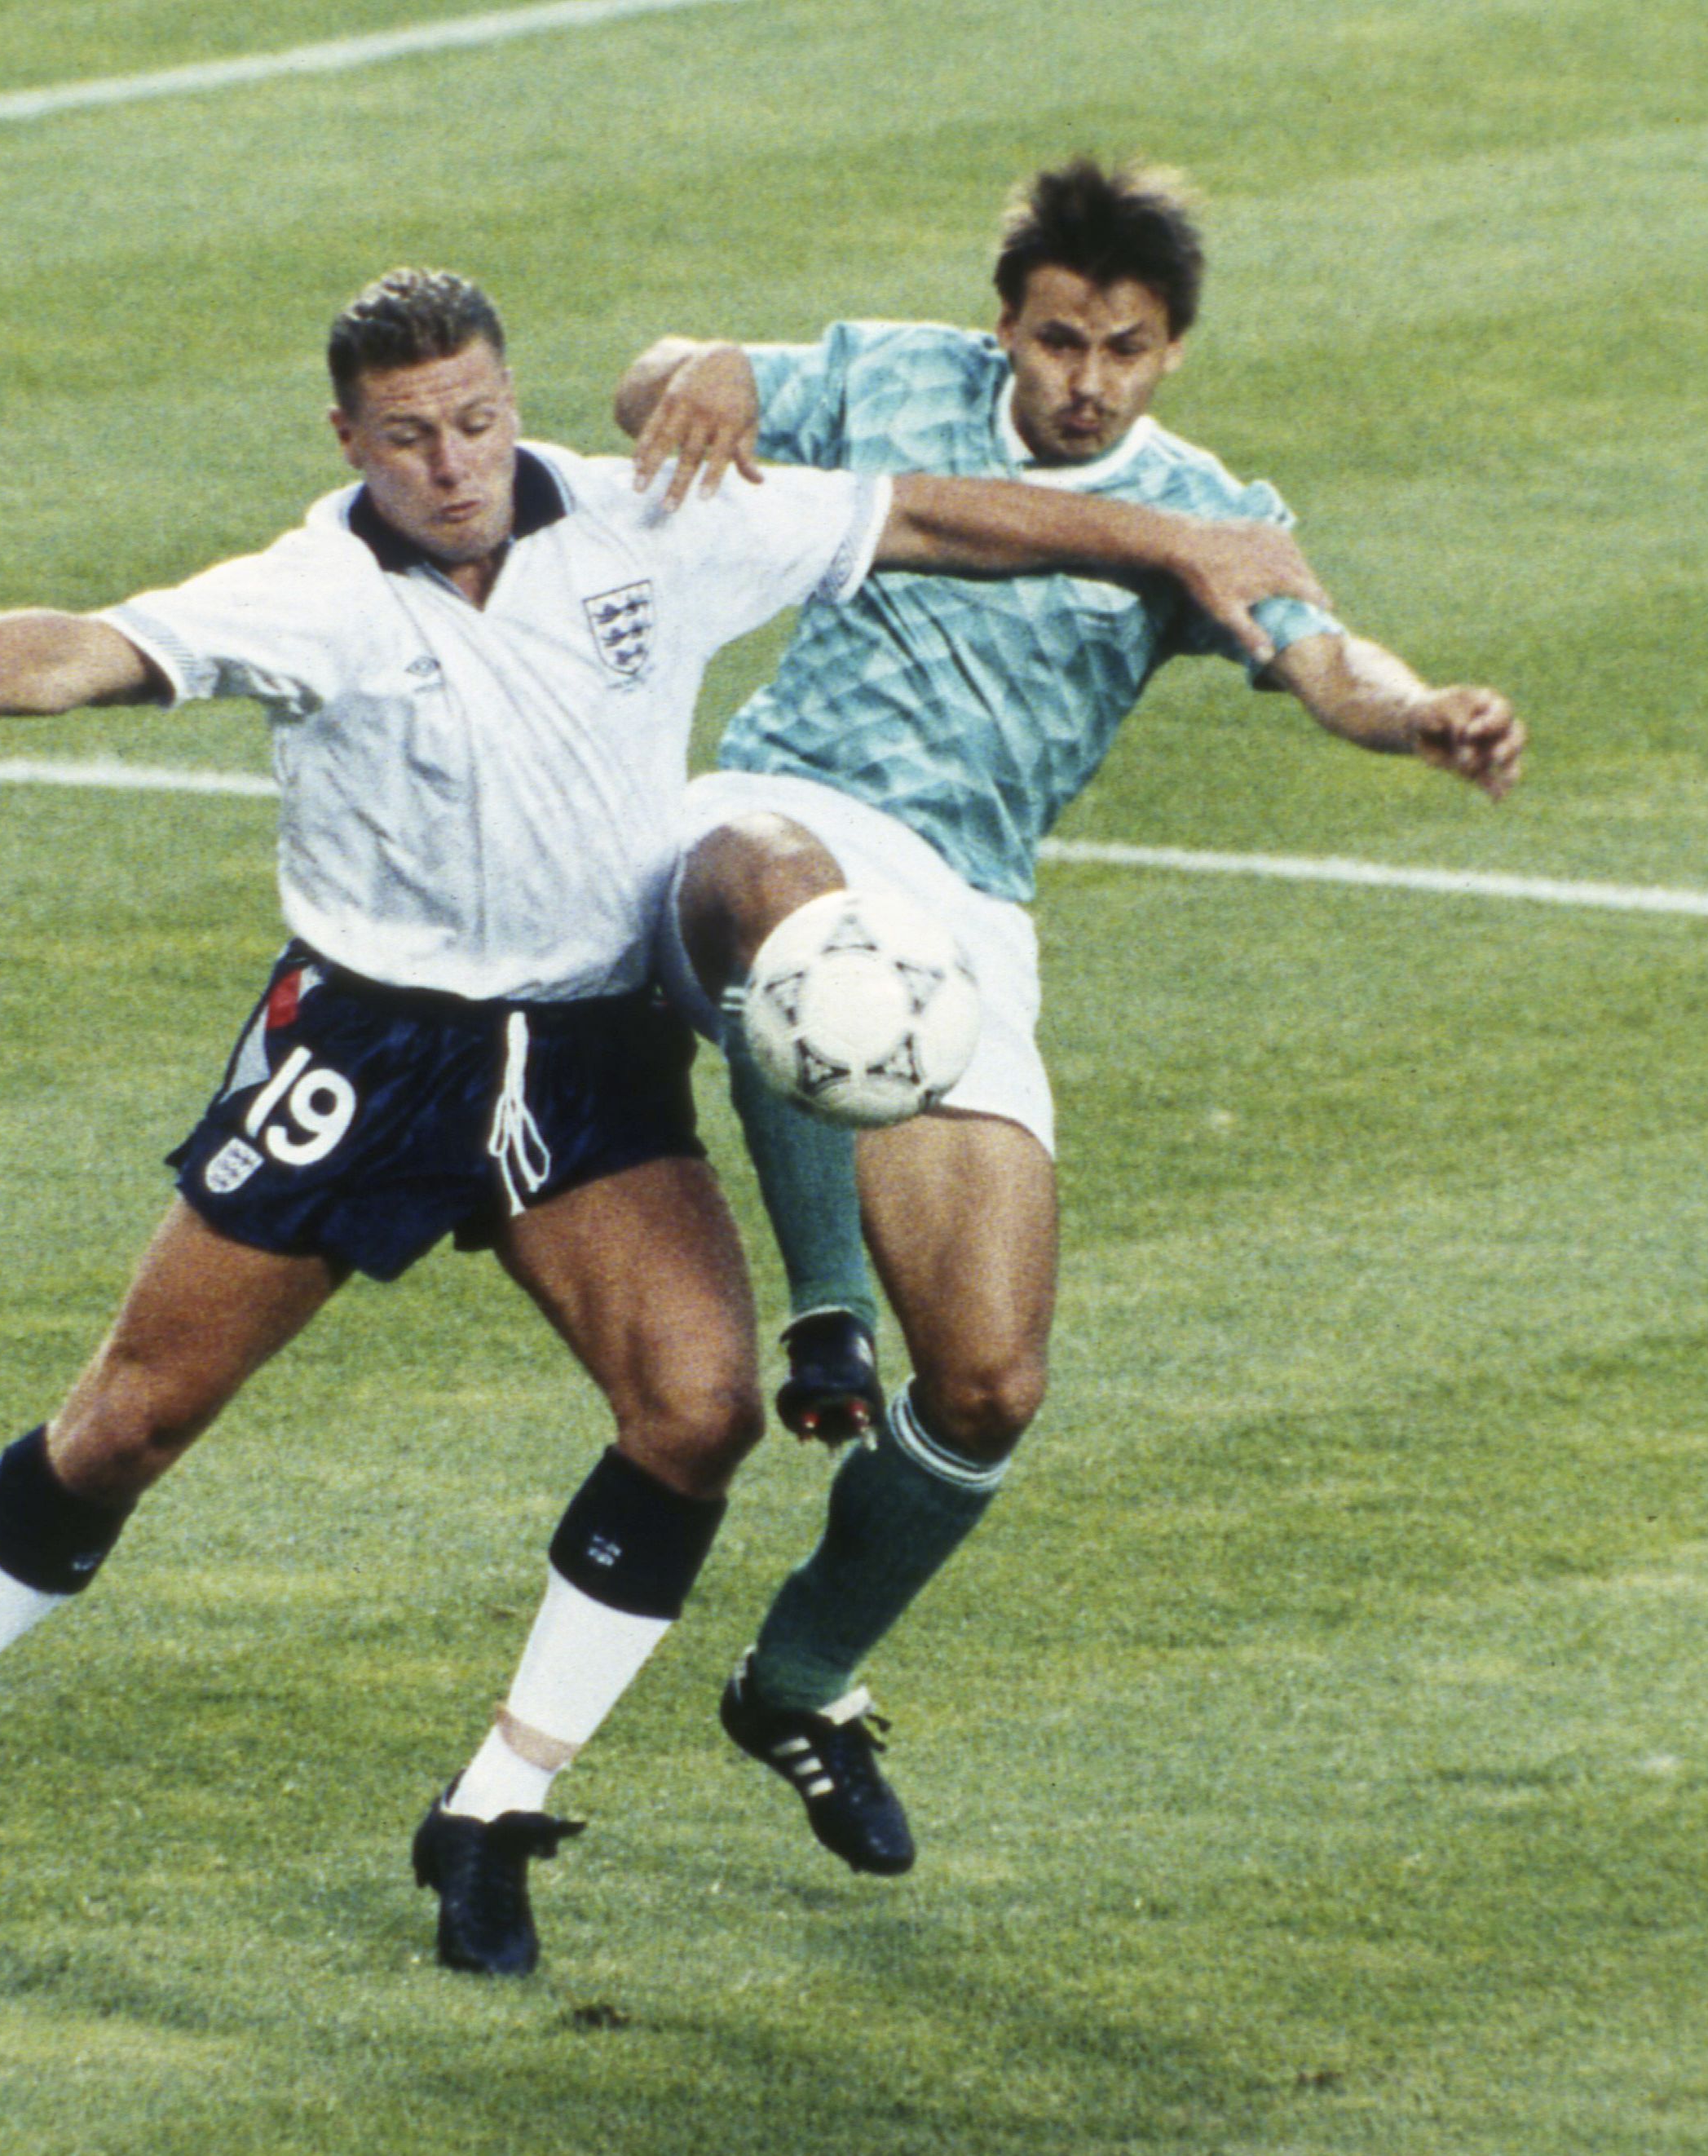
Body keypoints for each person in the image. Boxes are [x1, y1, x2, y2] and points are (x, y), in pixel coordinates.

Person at [0, 267, 1329, 1976]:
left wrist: (1174, 543)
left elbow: (928, 516)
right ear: (349, 438)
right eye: (410, 437)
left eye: (476, 420)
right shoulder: (313, 590)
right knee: (128, 1423)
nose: (454, 463)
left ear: (509, 399)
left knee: (695, 1412)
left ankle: (494, 1813)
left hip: (586, 1050)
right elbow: (77, 652)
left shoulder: (648, 520)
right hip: (371, 1049)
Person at [613, 158, 1525, 1877]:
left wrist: (1421, 717)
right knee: (789, 899)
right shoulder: (893, 376)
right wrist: (700, 369)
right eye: (1056, 341)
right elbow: (661, 384)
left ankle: (797, 1680)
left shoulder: (1199, 510)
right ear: (1003, 327)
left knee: (989, 1384)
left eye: (1125, 349)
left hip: (965, 909)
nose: (1086, 380)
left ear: (1171, 351)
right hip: (775, 818)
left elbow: (1327, 657)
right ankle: (823, 1315)